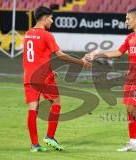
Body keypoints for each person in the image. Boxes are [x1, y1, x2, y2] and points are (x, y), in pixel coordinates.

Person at [85, 8, 136, 151]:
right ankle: (133, 142)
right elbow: (118, 53)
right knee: (129, 110)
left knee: (132, 108)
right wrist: (98, 55)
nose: (126, 21)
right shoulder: (130, 37)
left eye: (128, 19)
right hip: (130, 77)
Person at [23, 6, 91, 152]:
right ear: (45, 17)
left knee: (33, 108)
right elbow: (60, 55)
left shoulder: (28, 34)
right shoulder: (47, 35)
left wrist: (51, 71)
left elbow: (37, 57)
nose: (52, 21)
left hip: (29, 76)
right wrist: (81, 62)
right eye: (51, 18)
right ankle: (50, 136)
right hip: (43, 78)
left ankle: (34, 145)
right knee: (56, 102)